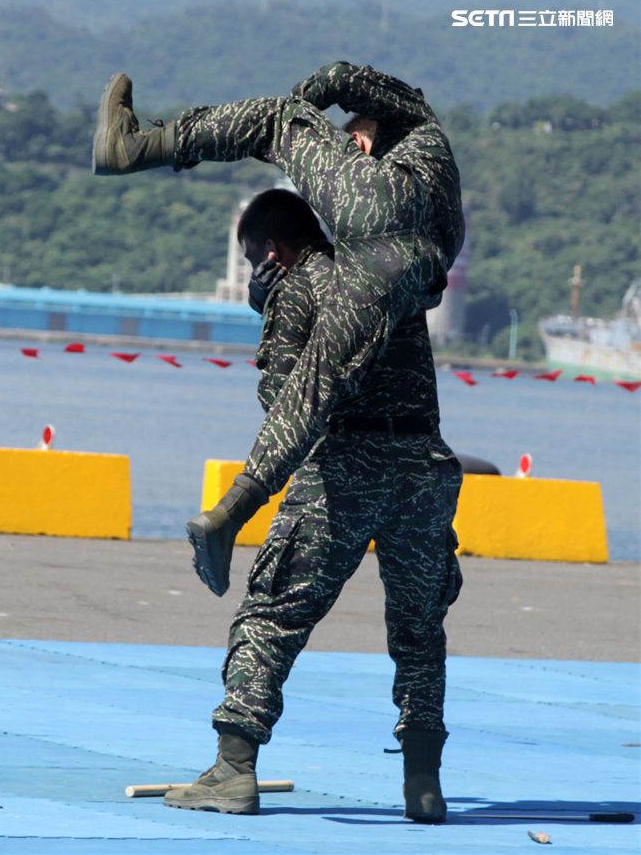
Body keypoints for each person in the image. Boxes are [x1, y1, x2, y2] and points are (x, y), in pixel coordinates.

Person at [93, 62, 464, 604]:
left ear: (370, 131)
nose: (350, 151)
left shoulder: (410, 123)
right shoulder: (441, 194)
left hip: (384, 217)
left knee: (273, 121)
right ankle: (230, 513)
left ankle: (133, 147)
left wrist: (299, 118)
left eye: (354, 141)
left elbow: (339, 75)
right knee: (319, 381)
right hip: (423, 265)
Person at [160, 187, 463, 822]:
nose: (256, 273)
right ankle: (423, 783)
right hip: (424, 470)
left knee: (272, 617)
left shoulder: (300, 286)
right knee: (419, 631)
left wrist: (269, 312)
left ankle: (233, 771)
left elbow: (285, 399)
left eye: (254, 262)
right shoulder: (385, 281)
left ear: (273, 251)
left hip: (344, 469)